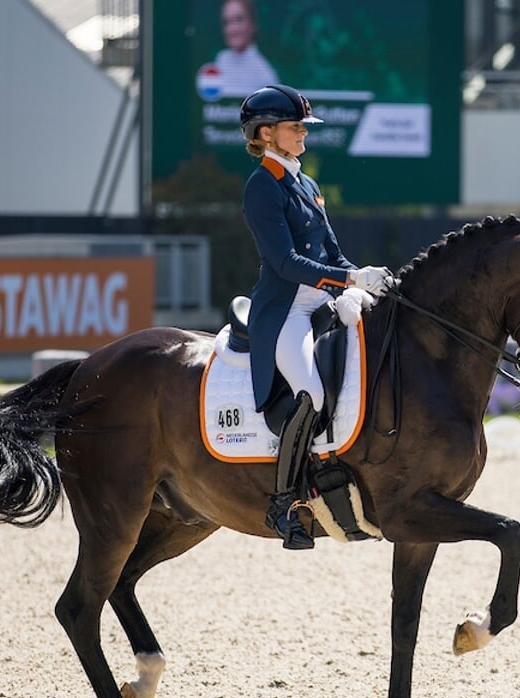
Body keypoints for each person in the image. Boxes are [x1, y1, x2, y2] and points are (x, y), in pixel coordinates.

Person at [239, 83, 391, 550]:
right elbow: (285, 262)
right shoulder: (262, 187)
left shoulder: (305, 183)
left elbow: (333, 253)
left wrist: (366, 279)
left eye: (303, 125)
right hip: (285, 309)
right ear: (267, 133)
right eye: (295, 126)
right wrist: (346, 282)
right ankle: (284, 504)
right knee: (310, 390)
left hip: (322, 301)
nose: (304, 132)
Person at [215, 0, 278, 97]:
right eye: (227, 22)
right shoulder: (221, 59)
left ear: (253, 24)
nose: (233, 29)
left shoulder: (264, 74)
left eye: (239, 20)